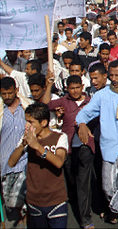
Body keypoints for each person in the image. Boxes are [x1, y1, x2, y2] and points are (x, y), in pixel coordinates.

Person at [75, 60, 118, 228]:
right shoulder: (102, 95)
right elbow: (84, 114)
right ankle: (116, 208)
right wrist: (82, 124)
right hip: (109, 147)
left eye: (117, 75)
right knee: (108, 187)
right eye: (111, 75)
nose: (114, 79)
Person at [9, 102, 69, 228]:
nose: (27, 125)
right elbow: (11, 162)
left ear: (43, 123)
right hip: (34, 202)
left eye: (31, 122)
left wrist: (37, 146)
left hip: (56, 201)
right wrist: (22, 145)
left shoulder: (59, 137)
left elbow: (59, 162)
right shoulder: (27, 138)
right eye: (26, 121)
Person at [46, 75, 95, 229]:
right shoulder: (63, 101)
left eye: (77, 87)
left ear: (82, 86)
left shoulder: (91, 102)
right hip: (67, 148)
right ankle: (77, 204)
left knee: (82, 181)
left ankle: (85, 219)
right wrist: (48, 86)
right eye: (71, 88)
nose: (74, 91)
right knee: (72, 180)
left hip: (86, 146)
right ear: (67, 88)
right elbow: (46, 104)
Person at [0, 77, 29, 225]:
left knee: (22, 198)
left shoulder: (26, 108)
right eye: (3, 94)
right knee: (11, 203)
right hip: (5, 165)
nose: (7, 97)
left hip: (24, 163)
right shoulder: (1, 112)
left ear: (16, 91)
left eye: (9, 93)